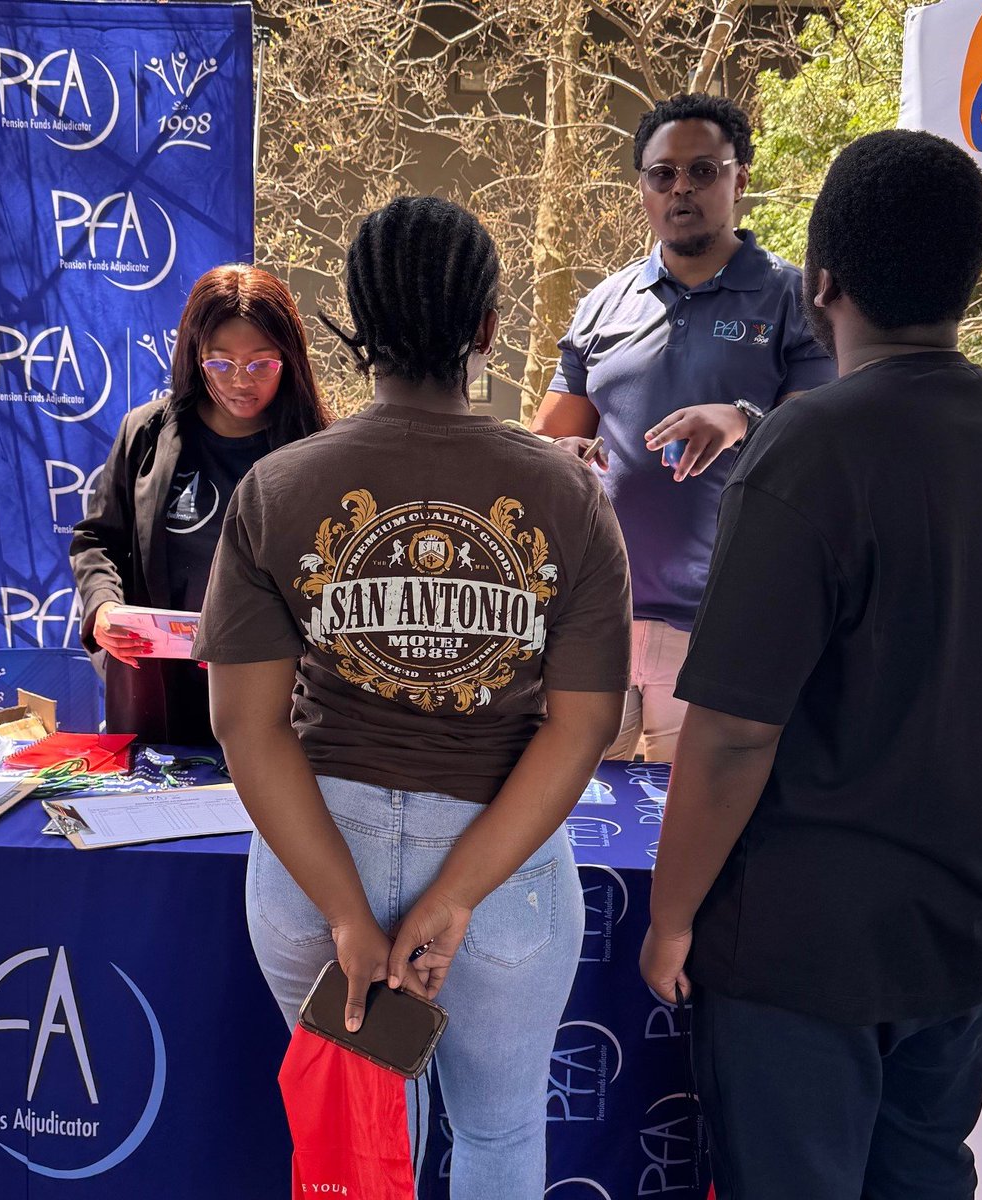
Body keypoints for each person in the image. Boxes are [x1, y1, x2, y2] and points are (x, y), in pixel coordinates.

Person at [640, 130, 982, 1198]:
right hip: (965, 925)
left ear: (819, 281)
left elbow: (737, 730)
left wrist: (671, 915)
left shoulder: (809, 446)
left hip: (806, 948)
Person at [193, 198, 631, 1197]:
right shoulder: (567, 496)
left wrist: (348, 913)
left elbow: (244, 727)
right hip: (501, 861)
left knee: (367, 1130)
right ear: (485, 329)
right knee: (499, 1132)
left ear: (353, 324)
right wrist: (457, 893)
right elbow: (584, 725)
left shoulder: (276, 488)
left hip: (314, 857)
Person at [533, 93, 834, 760]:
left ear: (740, 178)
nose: (681, 189)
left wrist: (742, 418)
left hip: (722, 625)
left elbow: (826, 436)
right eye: (662, 174)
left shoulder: (793, 299)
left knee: (695, 825)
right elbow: (551, 438)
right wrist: (561, 451)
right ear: (642, 185)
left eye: (703, 171)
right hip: (594, 617)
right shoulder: (603, 304)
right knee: (582, 820)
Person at [70, 265, 330, 743]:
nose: (239, 381)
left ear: (289, 360)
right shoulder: (146, 433)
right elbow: (96, 540)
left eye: (261, 364)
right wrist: (102, 607)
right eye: (220, 363)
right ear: (195, 356)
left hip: (280, 698)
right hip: (161, 688)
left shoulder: (319, 450)